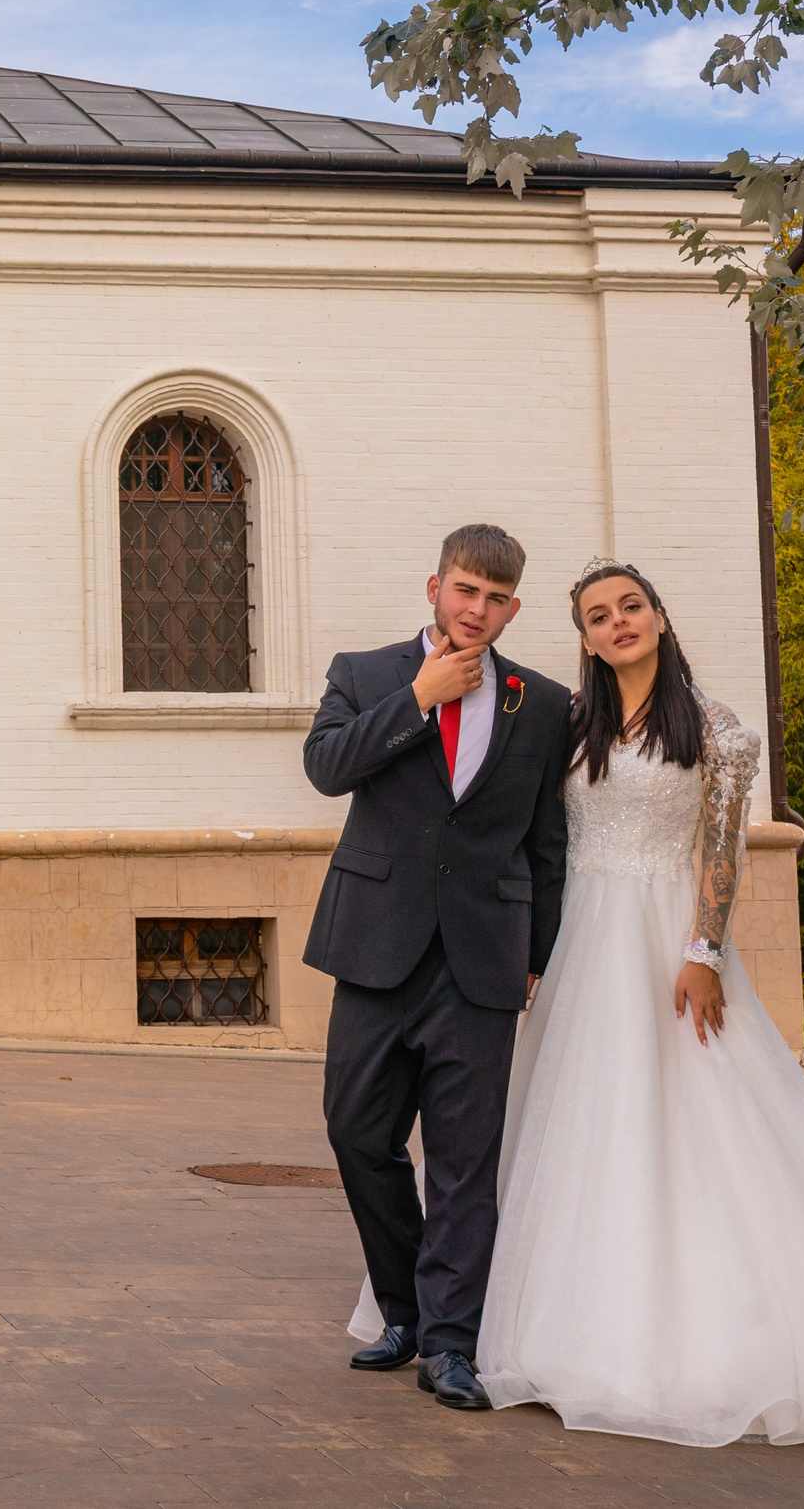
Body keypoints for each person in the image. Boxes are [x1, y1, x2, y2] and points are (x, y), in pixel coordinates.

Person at [474, 559, 804, 1444]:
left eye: (630, 607)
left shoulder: (716, 727)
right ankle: (565, 1318)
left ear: (659, 614)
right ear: (586, 638)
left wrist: (704, 951)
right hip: (582, 943)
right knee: (582, 1117)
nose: (618, 624)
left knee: (697, 1112)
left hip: (666, 938)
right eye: (599, 616)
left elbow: (720, 851)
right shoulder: (572, 728)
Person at [302, 524, 571, 1412]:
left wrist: (537, 956)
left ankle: (451, 1345)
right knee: (356, 1132)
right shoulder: (365, 673)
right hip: (375, 946)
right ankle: (407, 1308)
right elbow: (327, 769)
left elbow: (546, 844)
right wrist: (418, 696)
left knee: (463, 1159)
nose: (478, 611)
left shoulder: (546, 702)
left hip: (482, 961)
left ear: (515, 607)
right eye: (465, 591)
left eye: (496, 600)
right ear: (435, 587)